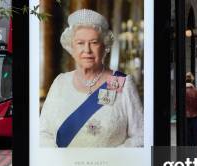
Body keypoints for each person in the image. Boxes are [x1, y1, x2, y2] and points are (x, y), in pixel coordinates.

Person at [40, 9, 143, 147]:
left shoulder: (121, 83)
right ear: (72, 47)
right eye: (80, 43)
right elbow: (43, 132)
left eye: (94, 42)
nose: (87, 50)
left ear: (104, 46)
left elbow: (141, 135)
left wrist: (115, 158)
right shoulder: (60, 83)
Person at [185, 72, 197, 146]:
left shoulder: (181, 91)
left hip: (184, 118)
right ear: (192, 81)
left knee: (186, 139)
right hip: (195, 117)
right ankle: (193, 156)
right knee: (194, 140)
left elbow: (176, 107)